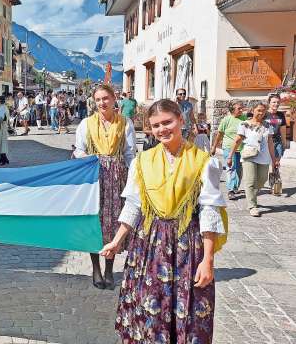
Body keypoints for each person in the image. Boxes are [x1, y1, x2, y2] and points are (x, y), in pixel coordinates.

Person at [100, 99, 227, 344]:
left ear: (181, 120)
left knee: (188, 311)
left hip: (186, 247)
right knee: (149, 308)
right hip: (149, 246)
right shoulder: (142, 162)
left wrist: (208, 260)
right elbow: (134, 205)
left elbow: (209, 212)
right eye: (156, 125)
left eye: (167, 122)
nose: (162, 130)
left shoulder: (203, 162)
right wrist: (116, 242)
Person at [74, 84, 136, 290]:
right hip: (94, 178)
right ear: (94, 101)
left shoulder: (125, 123)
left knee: (113, 223)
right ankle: (95, 268)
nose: (102, 103)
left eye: (106, 98)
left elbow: (129, 154)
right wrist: (94, 160)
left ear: (114, 99)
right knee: (95, 222)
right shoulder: (86, 124)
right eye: (98, 99)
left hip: (117, 179)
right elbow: (79, 151)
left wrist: (134, 178)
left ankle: (109, 268)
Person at [227, 103, 279, 217]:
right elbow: (237, 140)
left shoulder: (267, 125)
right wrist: (230, 156)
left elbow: (270, 142)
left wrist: (274, 158)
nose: (261, 113)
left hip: (264, 157)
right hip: (249, 156)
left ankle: (251, 196)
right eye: (258, 110)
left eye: (263, 111)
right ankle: (252, 206)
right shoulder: (244, 124)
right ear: (253, 110)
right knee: (250, 181)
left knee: (262, 179)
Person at [211, 101, 246, 200]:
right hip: (228, 148)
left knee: (239, 170)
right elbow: (219, 135)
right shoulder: (226, 120)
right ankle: (230, 190)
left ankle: (235, 187)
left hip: (241, 148)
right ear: (232, 110)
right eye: (239, 108)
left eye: (241, 108)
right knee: (231, 168)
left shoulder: (244, 118)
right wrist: (214, 147)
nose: (241, 110)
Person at [266, 94, 288, 160]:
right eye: (274, 102)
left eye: (278, 102)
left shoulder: (281, 115)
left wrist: (284, 143)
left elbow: (283, 129)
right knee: (265, 164)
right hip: (266, 142)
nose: (276, 104)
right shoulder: (264, 114)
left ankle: (275, 170)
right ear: (269, 103)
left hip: (277, 141)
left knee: (276, 163)